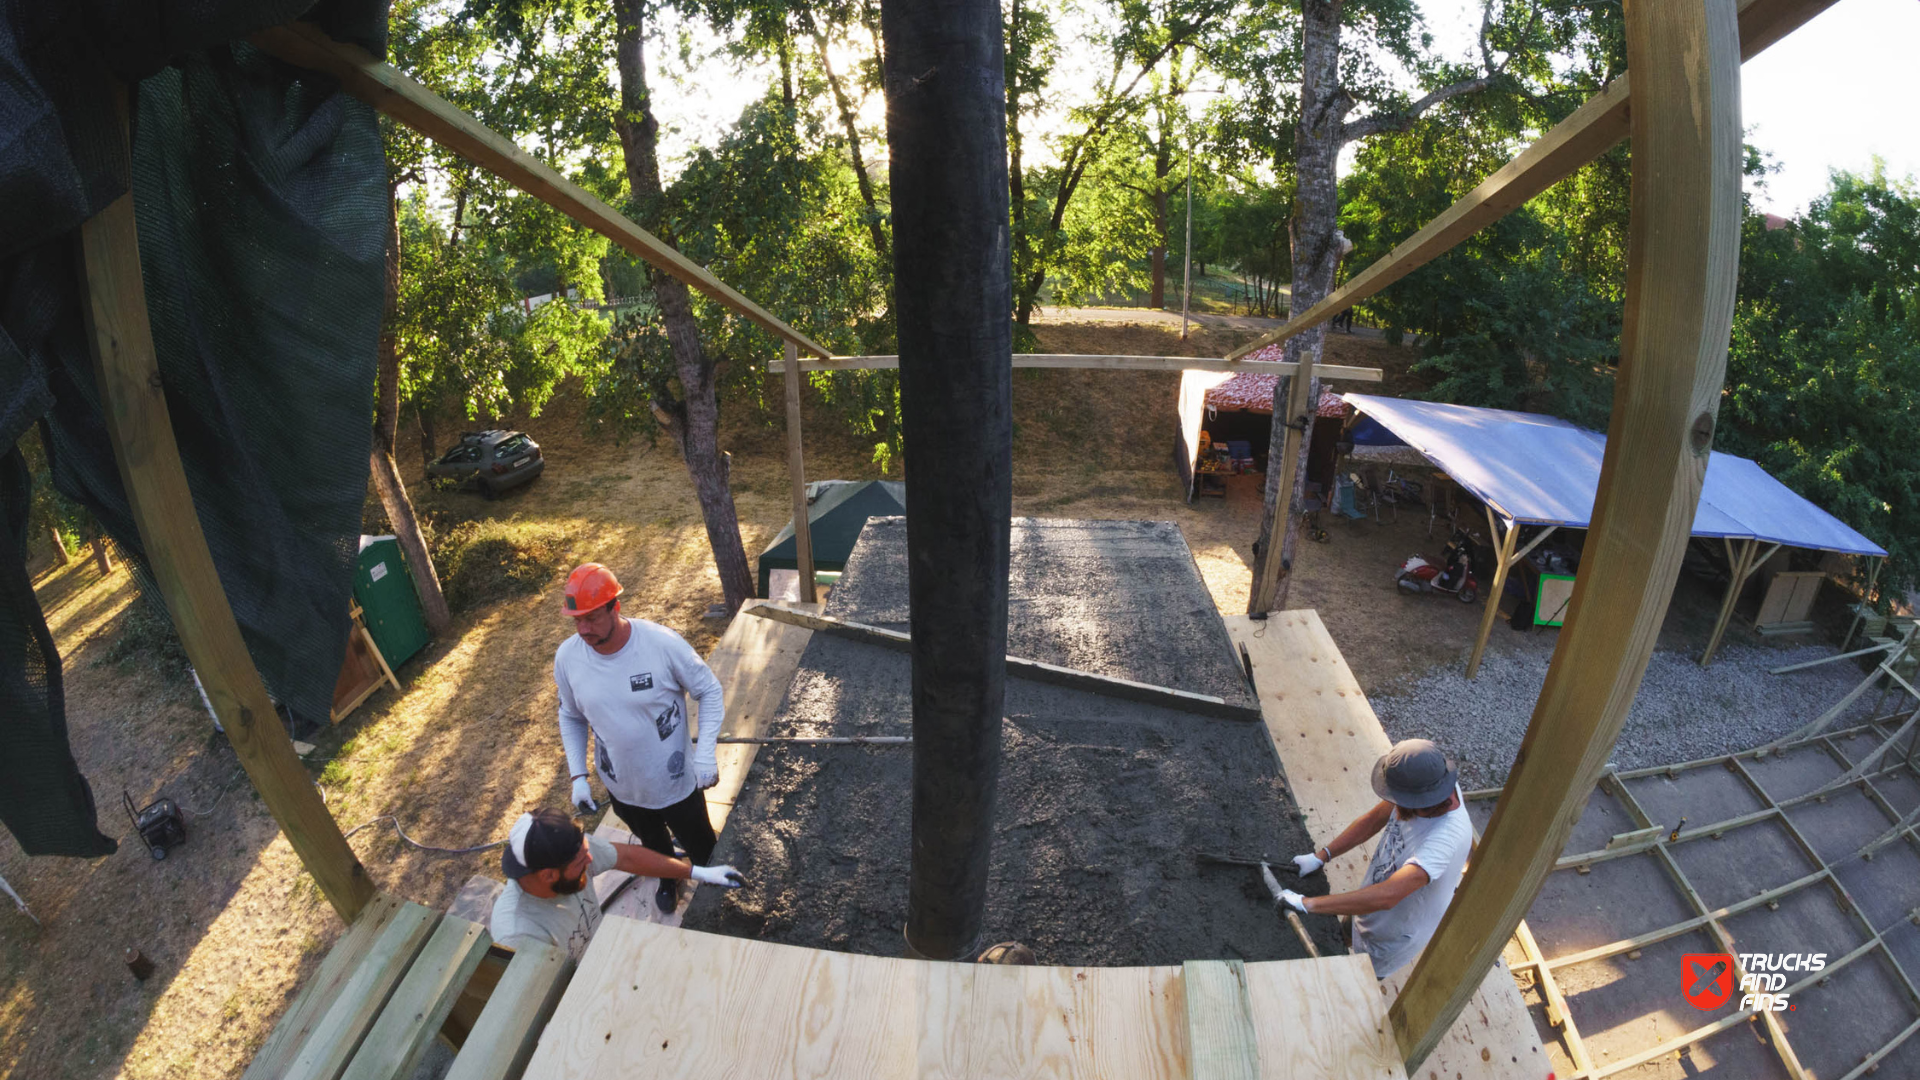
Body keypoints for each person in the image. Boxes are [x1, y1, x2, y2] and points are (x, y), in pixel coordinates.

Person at [554, 562, 727, 914]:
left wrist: (706, 754)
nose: (583, 629)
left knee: (701, 843)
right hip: (623, 788)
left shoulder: (660, 645)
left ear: (614, 607)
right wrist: (578, 777)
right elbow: (570, 715)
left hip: (675, 783)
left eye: (592, 618)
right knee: (651, 843)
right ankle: (669, 875)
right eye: (577, 620)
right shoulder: (568, 657)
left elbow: (709, 690)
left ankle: (712, 883)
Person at [1263, 739, 1472, 979]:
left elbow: (1388, 896)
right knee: (1343, 933)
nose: (1395, 804)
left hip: (1393, 933)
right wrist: (1321, 856)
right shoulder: (1425, 790)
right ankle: (1340, 941)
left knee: (1354, 982)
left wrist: (1306, 903)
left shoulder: (1446, 839)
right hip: (1369, 899)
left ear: (1422, 800)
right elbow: (1373, 820)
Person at [490, 808, 743, 961]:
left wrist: (700, 873)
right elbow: (544, 1002)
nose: (590, 861)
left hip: (601, 954)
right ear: (548, 876)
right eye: (581, 862)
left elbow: (626, 856)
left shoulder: (571, 853)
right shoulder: (518, 933)